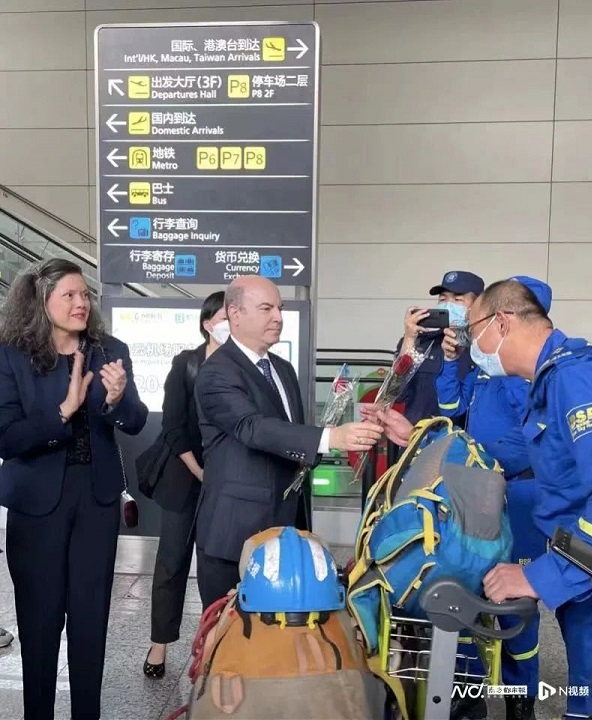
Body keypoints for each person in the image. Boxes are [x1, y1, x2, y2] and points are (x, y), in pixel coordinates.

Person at [365, 279, 592, 720]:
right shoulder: (546, 381)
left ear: (502, 323)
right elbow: (479, 440)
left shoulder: (576, 380)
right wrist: (416, 437)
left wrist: (540, 576)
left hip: (585, 561)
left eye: (473, 326)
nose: (471, 340)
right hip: (579, 555)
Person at [0, 259, 148, 720]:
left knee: (90, 624)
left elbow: (137, 420)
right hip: (37, 505)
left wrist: (119, 400)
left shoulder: (110, 349)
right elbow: (6, 436)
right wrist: (63, 411)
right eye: (69, 295)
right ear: (40, 302)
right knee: (40, 625)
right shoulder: (11, 355)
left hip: (96, 500)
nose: (82, 303)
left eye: (84, 294)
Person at [194, 276, 383, 608]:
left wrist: (327, 442)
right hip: (235, 533)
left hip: (286, 529)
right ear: (235, 314)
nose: (278, 317)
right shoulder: (216, 372)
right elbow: (251, 427)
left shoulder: (282, 369)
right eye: (266, 308)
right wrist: (329, 437)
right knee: (229, 643)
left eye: (279, 308)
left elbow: (290, 438)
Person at [436, 276, 552, 720]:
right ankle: (472, 696)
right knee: (471, 586)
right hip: (483, 491)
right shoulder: (487, 367)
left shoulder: (529, 372)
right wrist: (451, 362)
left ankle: (521, 701)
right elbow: (452, 410)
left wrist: (475, 464)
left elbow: (527, 439)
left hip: (518, 495)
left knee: (514, 605)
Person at [144, 291, 228, 678]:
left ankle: (219, 643)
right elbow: (173, 427)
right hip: (186, 476)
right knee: (172, 562)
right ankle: (159, 644)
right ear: (208, 322)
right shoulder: (186, 363)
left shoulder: (242, 367)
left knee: (219, 570)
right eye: (225, 315)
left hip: (226, 484)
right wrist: (199, 472)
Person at [389, 271, 483, 463]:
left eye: (458, 299)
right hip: (414, 445)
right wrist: (409, 338)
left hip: (463, 453)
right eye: (443, 299)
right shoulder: (422, 342)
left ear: (478, 306)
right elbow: (396, 392)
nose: (448, 305)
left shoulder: (484, 348)